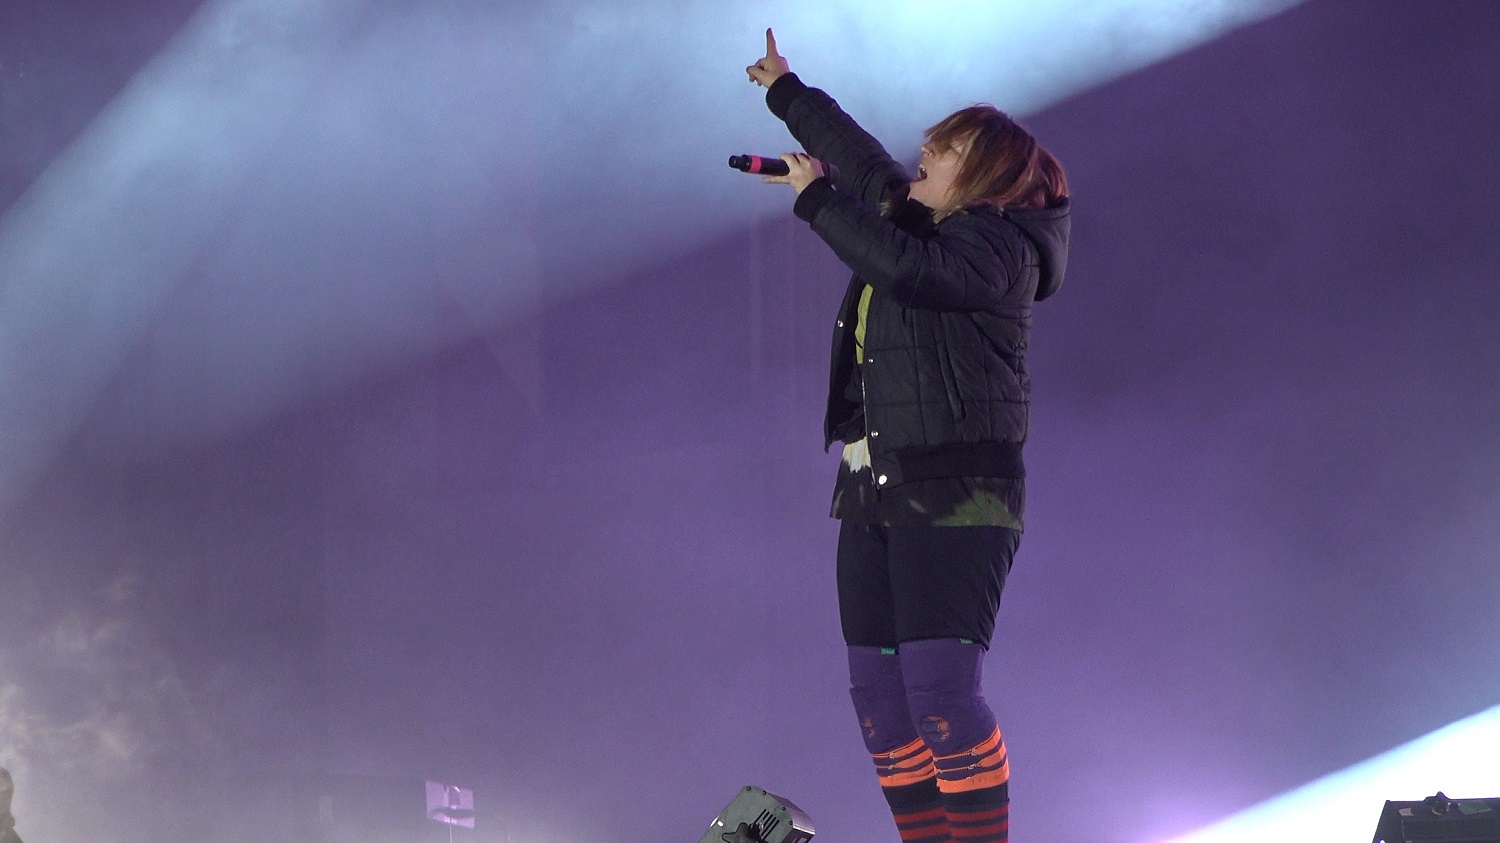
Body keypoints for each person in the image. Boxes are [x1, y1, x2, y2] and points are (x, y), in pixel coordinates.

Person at [746, 29, 1070, 843]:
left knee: (939, 697)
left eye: (945, 150)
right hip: (873, 483)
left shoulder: (1000, 247)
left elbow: (909, 272)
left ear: (986, 174)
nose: (924, 155)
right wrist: (787, 92)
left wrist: (817, 203)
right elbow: (862, 163)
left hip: (956, 489)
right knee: (881, 706)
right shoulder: (919, 219)